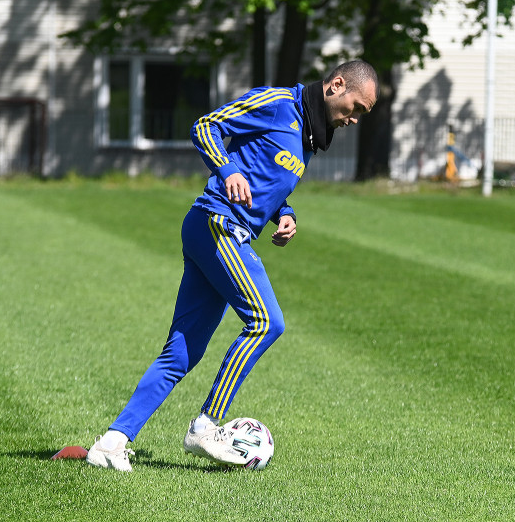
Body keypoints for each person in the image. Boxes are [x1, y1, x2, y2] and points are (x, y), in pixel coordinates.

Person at [86, 60, 379, 471]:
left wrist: (285, 212)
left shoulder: (310, 136)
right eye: (356, 107)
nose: (354, 118)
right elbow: (204, 126)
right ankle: (205, 426)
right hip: (217, 224)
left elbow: (265, 179)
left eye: (362, 114)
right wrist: (225, 169)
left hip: (219, 230)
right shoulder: (280, 104)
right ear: (335, 85)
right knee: (266, 322)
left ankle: (111, 443)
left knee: (181, 353)